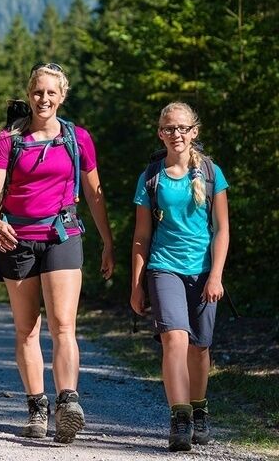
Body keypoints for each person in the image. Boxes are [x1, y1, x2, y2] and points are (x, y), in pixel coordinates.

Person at [0, 62, 114, 444]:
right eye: (38, 92)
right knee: (27, 329)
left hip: (62, 233)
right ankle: (36, 406)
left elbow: (94, 192)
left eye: (51, 93)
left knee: (63, 325)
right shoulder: (10, 139)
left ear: (62, 96)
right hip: (16, 237)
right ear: (29, 94)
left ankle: (67, 401)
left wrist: (107, 240)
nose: (44, 99)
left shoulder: (78, 137)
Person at [130, 102, 229, 452]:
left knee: (200, 348)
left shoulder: (211, 172)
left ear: (194, 132)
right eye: (169, 129)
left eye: (183, 128)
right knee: (175, 339)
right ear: (160, 133)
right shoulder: (151, 177)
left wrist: (216, 275)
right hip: (164, 268)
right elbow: (142, 237)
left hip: (203, 272)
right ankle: (180, 418)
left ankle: (199, 410)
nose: (177, 135)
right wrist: (136, 285)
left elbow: (221, 230)